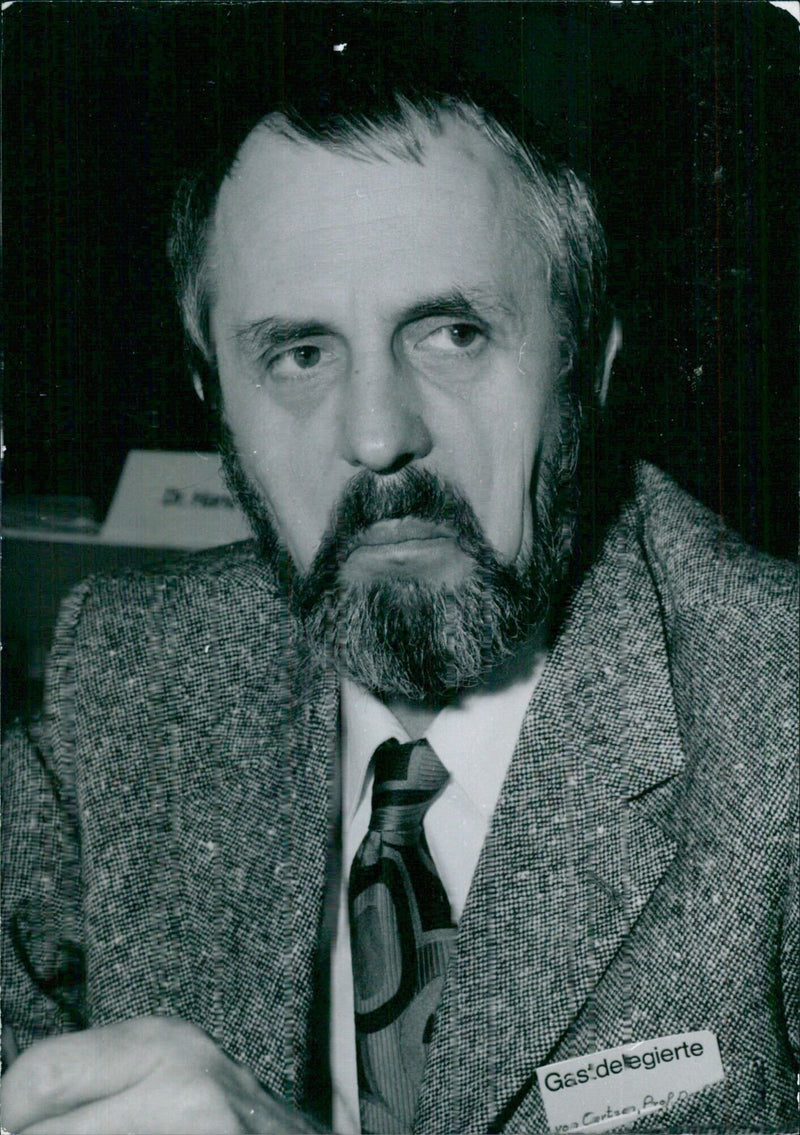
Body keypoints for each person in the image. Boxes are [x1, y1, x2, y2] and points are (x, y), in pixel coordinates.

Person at [2, 70, 798, 1135]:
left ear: (589, 360)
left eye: (452, 333)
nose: (376, 437)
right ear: (213, 402)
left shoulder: (774, 708)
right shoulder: (131, 665)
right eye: (297, 353)